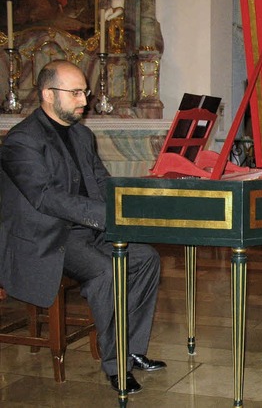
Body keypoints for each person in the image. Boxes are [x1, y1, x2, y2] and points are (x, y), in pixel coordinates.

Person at [0, 60, 166, 394]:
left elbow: (103, 182)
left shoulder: (81, 133)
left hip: (84, 229)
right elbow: (46, 198)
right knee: (104, 271)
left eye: (85, 92)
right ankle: (115, 365)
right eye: (75, 92)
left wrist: (134, 202)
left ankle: (132, 349)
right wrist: (106, 217)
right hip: (47, 236)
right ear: (48, 94)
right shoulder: (22, 141)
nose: (84, 100)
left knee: (146, 258)